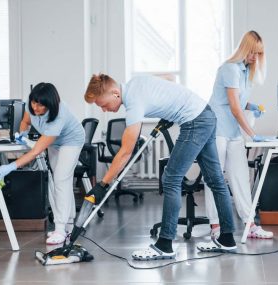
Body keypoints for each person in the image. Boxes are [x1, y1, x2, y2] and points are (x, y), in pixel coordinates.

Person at [84, 73, 236, 261]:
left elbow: (125, 152)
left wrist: (102, 184)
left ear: (115, 93)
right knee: (215, 180)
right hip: (206, 114)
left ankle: (165, 244)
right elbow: (169, 81)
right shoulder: (136, 82)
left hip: (195, 122)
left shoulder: (133, 102)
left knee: (171, 178)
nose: (105, 110)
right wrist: (170, 111)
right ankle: (228, 239)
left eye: (103, 104)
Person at [0, 83, 85, 245]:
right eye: (34, 102)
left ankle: (60, 229)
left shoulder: (58, 116)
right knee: (60, 181)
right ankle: (68, 225)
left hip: (72, 141)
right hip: (55, 143)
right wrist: (22, 133)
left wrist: (11, 166)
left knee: (61, 179)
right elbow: (25, 121)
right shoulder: (32, 108)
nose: (35, 107)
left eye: (41, 104)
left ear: (51, 104)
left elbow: (36, 152)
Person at [205, 30, 273, 240]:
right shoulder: (230, 68)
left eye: (259, 53)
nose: (255, 57)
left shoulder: (246, 72)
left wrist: (252, 106)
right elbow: (234, 107)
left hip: (232, 130)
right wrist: (253, 134)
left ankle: (250, 224)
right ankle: (215, 226)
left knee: (241, 177)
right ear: (245, 48)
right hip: (216, 130)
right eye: (252, 52)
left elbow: (239, 102)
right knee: (215, 179)